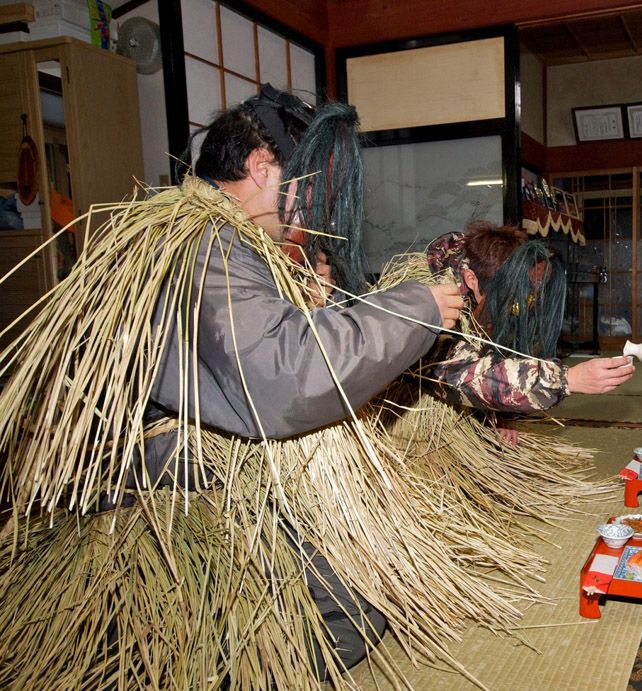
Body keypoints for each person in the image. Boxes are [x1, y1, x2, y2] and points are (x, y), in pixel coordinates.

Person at [0, 85, 463, 687]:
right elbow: (285, 380)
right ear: (261, 167)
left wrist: (313, 303)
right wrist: (413, 309)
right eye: (308, 188)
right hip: (151, 483)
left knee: (365, 570)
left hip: (182, 462)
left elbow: (248, 348)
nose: (311, 212)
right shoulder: (205, 244)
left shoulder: (202, 230)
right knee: (352, 597)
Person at [421, 222, 634, 430]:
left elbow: (501, 355)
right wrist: (567, 379)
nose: (524, 301)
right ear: (471, 279)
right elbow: (465, 374)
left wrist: (501, 412)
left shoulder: (494, 289)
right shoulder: (432, 309)